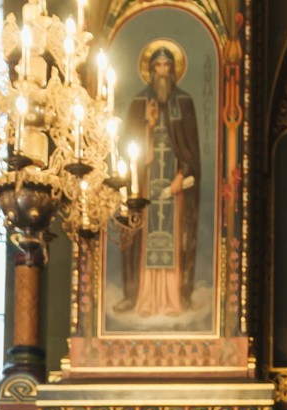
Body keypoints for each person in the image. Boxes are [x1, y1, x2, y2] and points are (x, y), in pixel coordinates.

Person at [117, 41, 200, 317]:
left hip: (175, 189)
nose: (162, 72)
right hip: (146, 187)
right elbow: (132, 155)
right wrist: (149, 126)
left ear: (174, 69)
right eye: (157, 66)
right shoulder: (140, 103)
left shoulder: (184, 102)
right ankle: (142, 298)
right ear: (150, 71)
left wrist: (181, 175)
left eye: (167, 65)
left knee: (174, 240)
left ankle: (175, 298)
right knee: (145, 239)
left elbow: (191, 149)